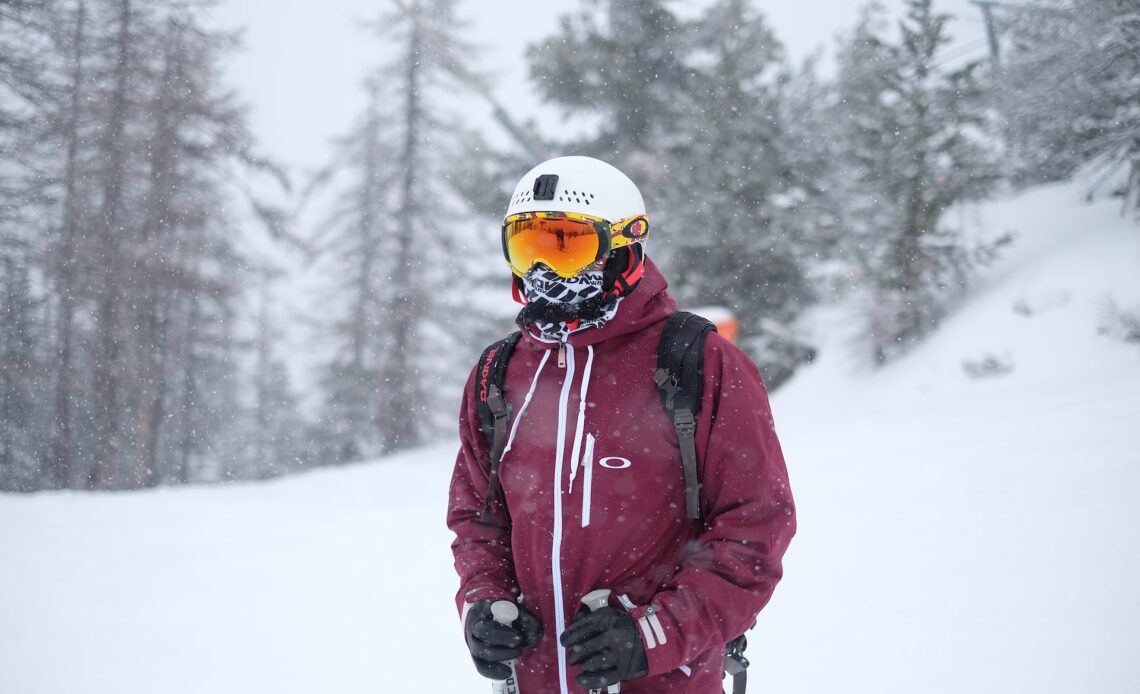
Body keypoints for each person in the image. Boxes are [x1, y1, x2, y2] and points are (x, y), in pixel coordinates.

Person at [448, 156, 796, 693]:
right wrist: (483, 603)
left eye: (567, 246)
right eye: (528, 246)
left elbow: (755, 529)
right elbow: (478, 518)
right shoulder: (499, 372)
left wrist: (656, 634)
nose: (543, 271)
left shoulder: (695, 361)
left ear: (623, 248)